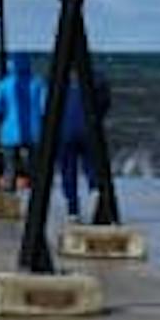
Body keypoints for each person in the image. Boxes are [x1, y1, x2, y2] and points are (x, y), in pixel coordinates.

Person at [0, 55, 45, 187]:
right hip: (34, 133)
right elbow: (44, 108)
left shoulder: (4, 84)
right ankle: (35, 196)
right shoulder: (38, 83)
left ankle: (9, 198)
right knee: (35, 169)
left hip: (9, 134)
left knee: (10, 168)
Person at [58, 65, 111, 217]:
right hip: (90, 128)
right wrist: (98, 118)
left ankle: (73, 209)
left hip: (66, 129)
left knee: (68, 169)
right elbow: (105, 103)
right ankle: (94, 190)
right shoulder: (98, 78)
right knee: (91, 164)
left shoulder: (62, 76)